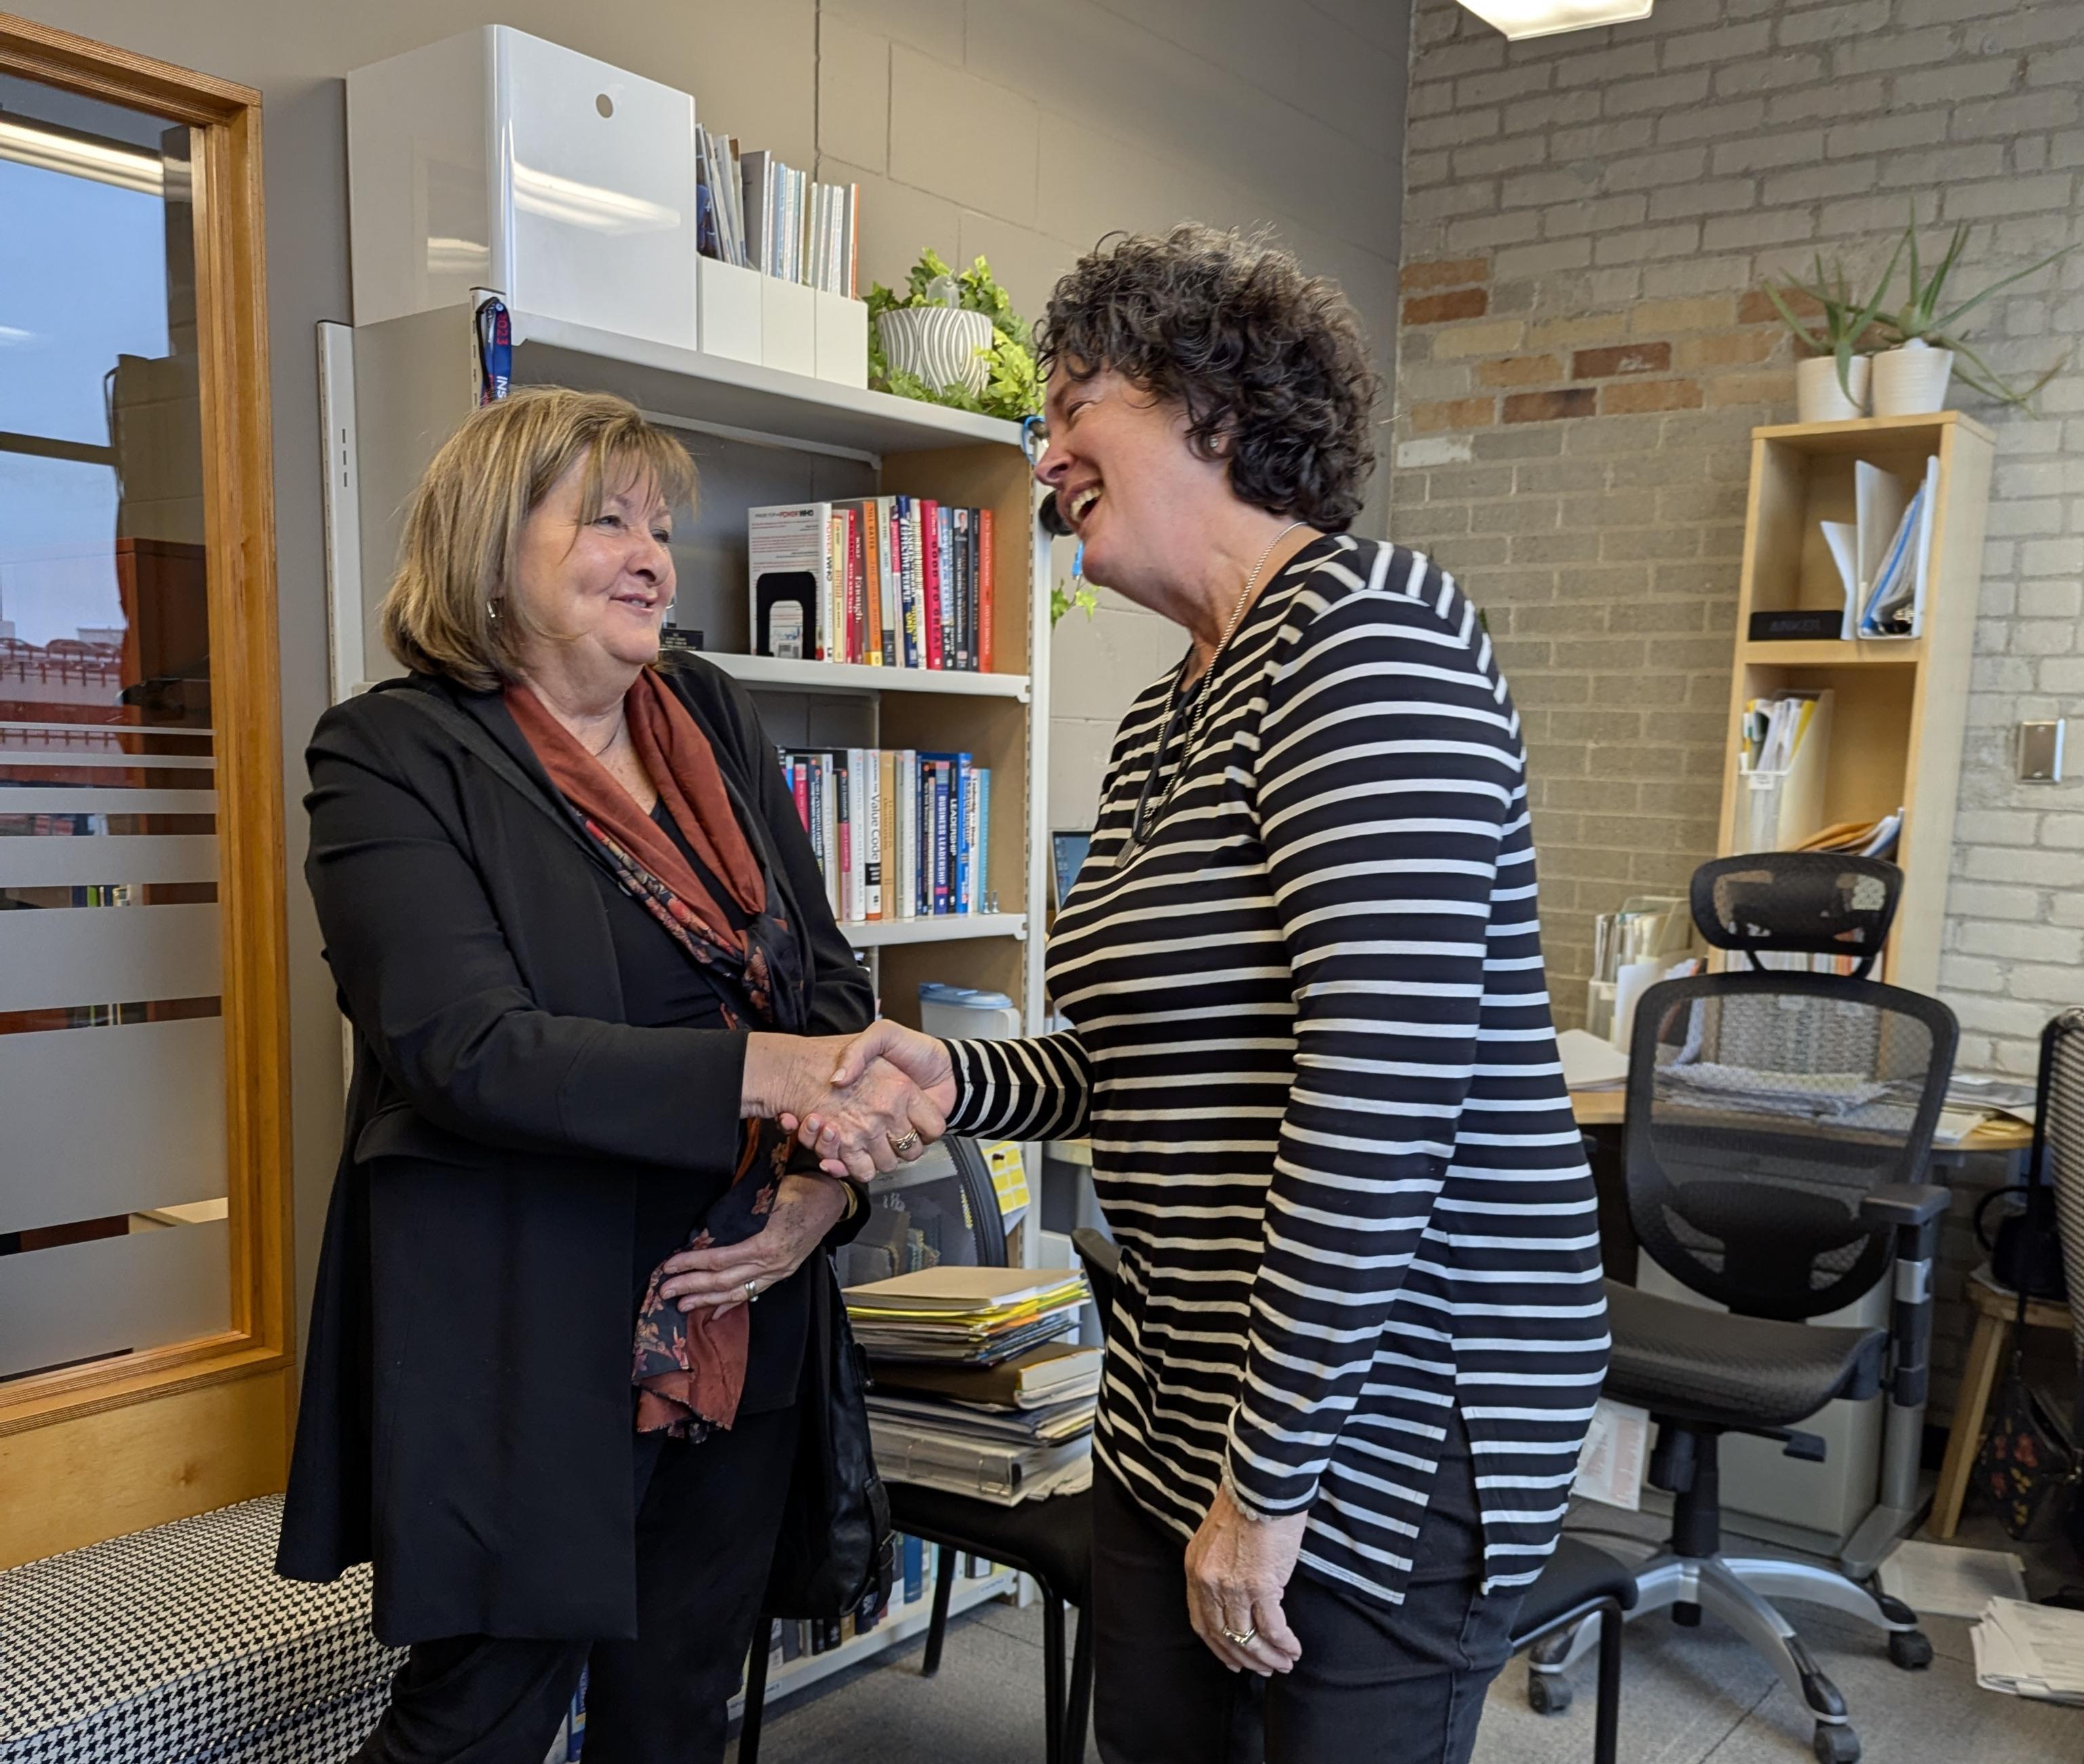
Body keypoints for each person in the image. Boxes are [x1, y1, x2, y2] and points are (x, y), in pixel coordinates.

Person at [796, 227, 1610, 1764]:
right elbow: (1142, 1058)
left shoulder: (1372, 637)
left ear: (1209, 407)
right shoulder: (1169, 708)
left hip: (1379, 1408)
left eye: (1075, 404)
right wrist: (955, 1080)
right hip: (1187, 1383)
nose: (1044, 459)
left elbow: (1378, 1106)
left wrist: (1270, 1484)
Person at [275, 387, 941, 1764]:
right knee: (477, 1722)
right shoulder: (392, 754)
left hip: (744, 1306)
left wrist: (818, 1197)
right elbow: (467, 1050)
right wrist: (773, 1073)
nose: (655, 554)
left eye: (662, 525)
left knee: (680, 1709)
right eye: (606, 520)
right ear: (487, 547)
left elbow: (825, 970)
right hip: (533, 1327)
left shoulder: (705, 703)